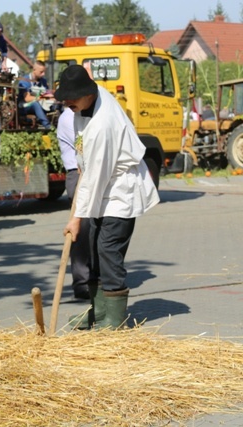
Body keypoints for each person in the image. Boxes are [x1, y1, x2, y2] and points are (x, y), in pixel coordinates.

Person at [56, 65, 160, 329]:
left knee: (108, 249)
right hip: (101, 182)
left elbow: (96, 178)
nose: (68, 103)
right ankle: (99, 311)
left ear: (88, 94)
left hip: (120, 191)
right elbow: (87, 162)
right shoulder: (83, 105)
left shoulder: (103, 124)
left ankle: (114, 319)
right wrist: (81, 161)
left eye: (72, 98)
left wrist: (76, 218)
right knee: (93, 248)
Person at [57, 107, 92, 301]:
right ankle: (82, 283)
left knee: (93, 228)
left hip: (89, 173)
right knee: (81, 228)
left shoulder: (82, 116)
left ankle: (94, 278)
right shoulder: (68, 118)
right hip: (77, 174)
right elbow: (84, 149)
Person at [18, 61, 54, 129]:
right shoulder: (25, 80)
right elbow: (27, 98)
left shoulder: (43, 81)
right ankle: (48, 126)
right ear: (34, 70)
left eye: (44, 72)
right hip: (25, 105)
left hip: (41, 102)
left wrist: (53, 98)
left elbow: (48, 94)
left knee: (56, 104)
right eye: (41, 72)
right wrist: (42, 97)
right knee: (35, 104)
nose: (43, 74)